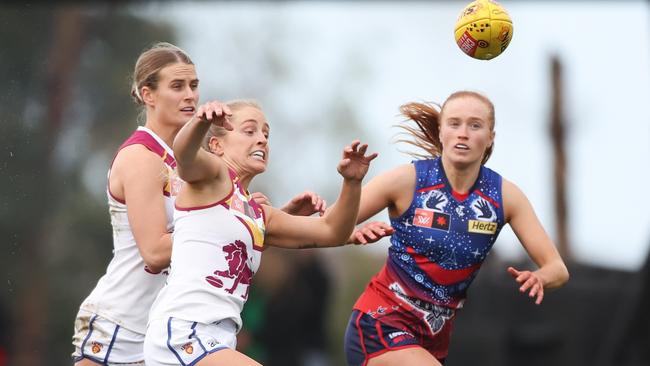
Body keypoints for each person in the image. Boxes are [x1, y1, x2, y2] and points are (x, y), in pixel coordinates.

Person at [70, 43, 324, 366]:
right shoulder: (141, 157)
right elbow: (155, 251)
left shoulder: (189, 160)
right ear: (148, 95)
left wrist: (259, 219)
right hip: (121, 328)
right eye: (177, 86)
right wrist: (228, 222)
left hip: (169, 333)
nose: (190, 95)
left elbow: (216, 239)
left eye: (193, 85)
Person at [143, 99, 377, 366]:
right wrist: (200, 120)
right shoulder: (212, 176)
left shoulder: (258, 213)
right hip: (184, 332)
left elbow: (332, 230)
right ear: (217, 146)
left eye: (266, 134)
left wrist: (352, 182)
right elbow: (184, 157)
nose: (262, 140)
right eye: (250, 131)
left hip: (217, 340)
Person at [343, 91, 570, 366]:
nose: (463, 133)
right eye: (454, 123)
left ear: (490, 137)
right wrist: (350, 229)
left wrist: (541, 277)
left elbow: (558, 268)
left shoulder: (505, 196)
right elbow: (330, 226)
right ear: (441, 132)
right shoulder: (407, 180)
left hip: (432, 340)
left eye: (475, 125)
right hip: (379, 324)